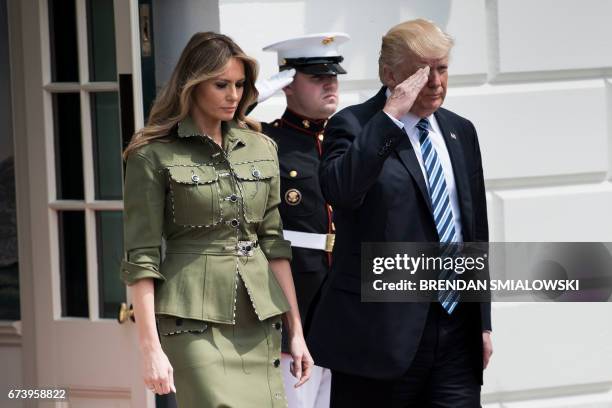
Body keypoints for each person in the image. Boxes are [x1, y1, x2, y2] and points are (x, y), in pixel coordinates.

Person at [120, 32, 313, 408]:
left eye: (240, 85)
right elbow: (140, 258)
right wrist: (150, 349)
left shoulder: (262, 147)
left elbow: (273, 244)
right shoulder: (151, 154)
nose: (234, 95)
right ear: (191, 85)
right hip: (192, 323)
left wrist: (297, 332)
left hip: (259, 318)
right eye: (221, 85)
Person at [307, 19, 493, 407]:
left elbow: (473, 231)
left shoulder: (461, 131)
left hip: (456, 332)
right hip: (379, 338)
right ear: (389, 74)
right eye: (421, 72)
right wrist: (389, 118)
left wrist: (483, 323)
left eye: (442, 68)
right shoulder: (355, 126)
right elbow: (340, 190)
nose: (436, 82)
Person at [256, 33, 349, 408]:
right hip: (298, 299)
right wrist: (263, 90)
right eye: (316, 77)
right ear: (288, 85)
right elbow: (210, 122)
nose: (330, 83)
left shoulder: (351, 137)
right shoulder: (267, 141)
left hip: (346, 297)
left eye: (334, 75)